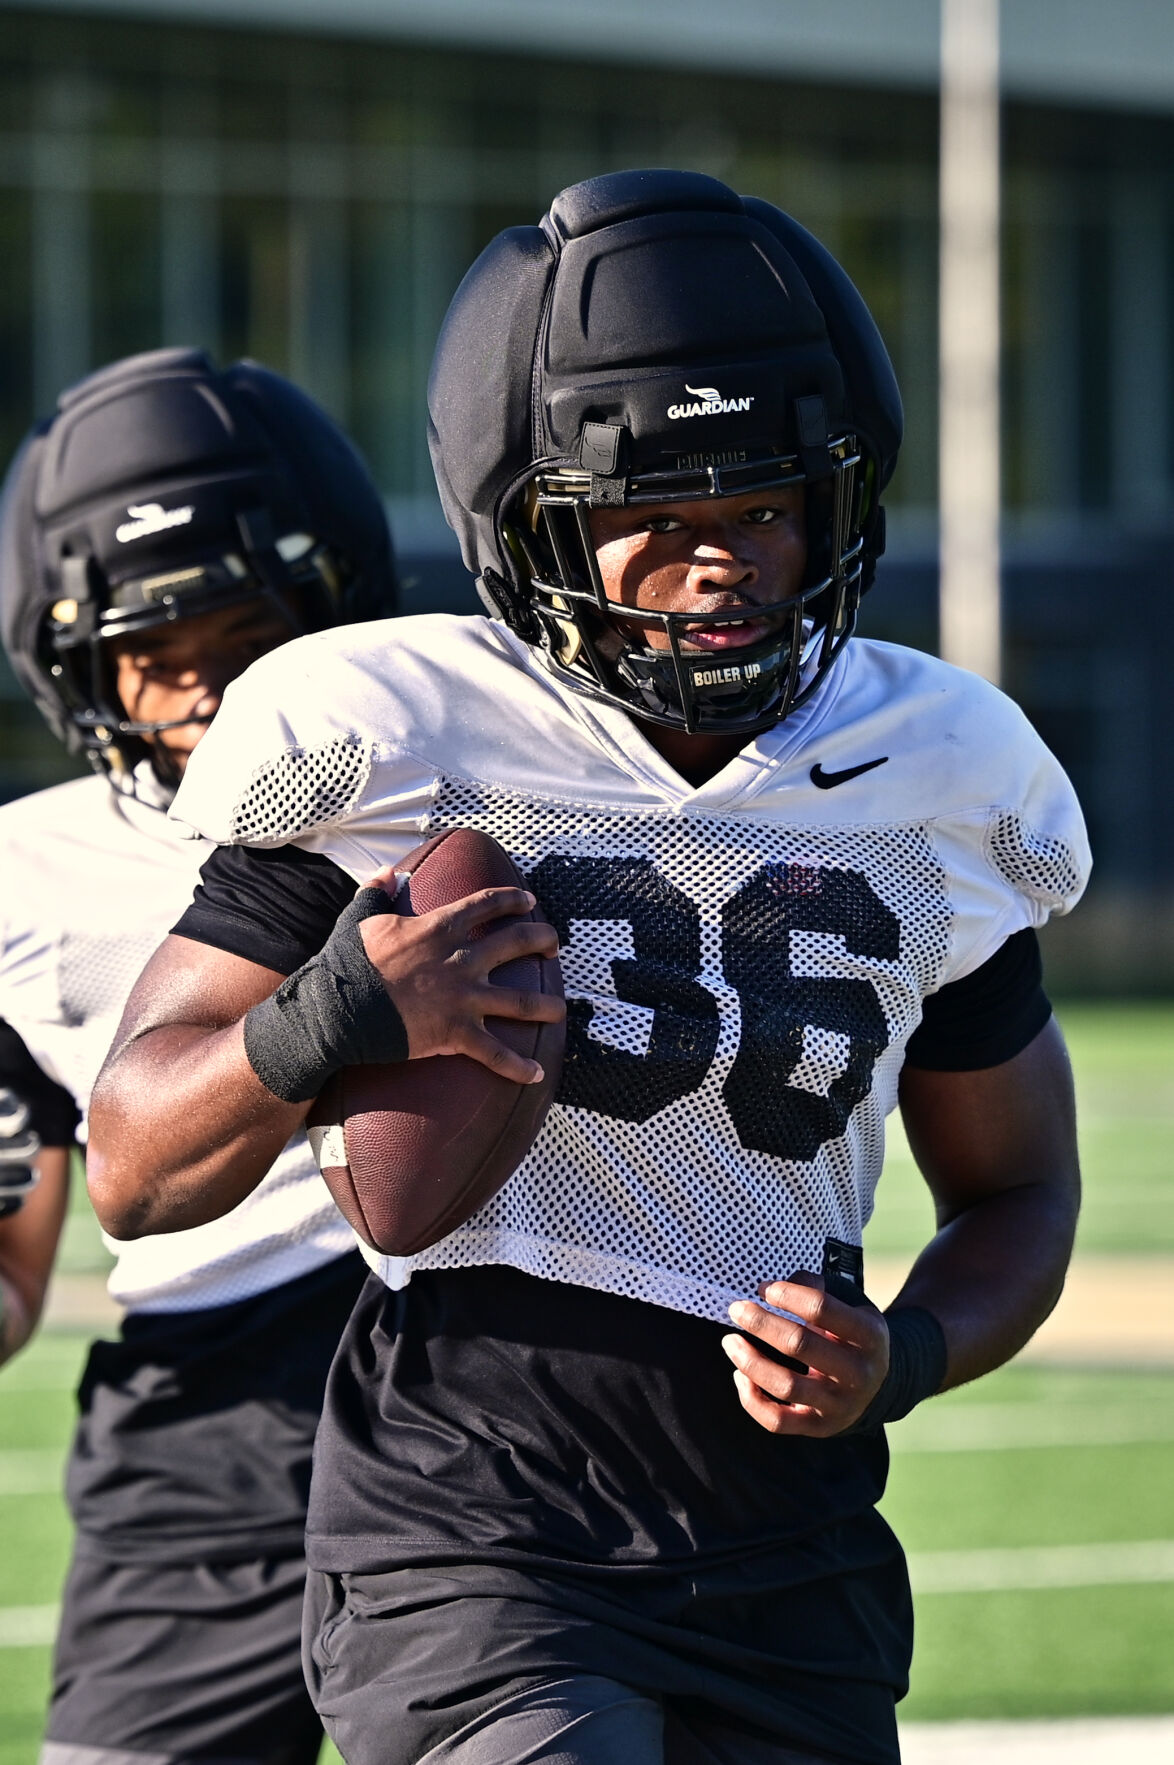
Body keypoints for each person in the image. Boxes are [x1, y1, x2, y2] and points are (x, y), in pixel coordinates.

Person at [88, 173, 1088, 1765]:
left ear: (836, 501)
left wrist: (901, 1354)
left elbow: (1020, 1188)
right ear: (536, 522)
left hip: (793, 1548)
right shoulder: (392, 739)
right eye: (658, 521)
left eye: (759, 507)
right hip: (472, 1522)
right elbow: (134, 1166)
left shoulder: (936, 771)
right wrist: (330, 1013)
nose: (718, 568)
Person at [0, 345, 399, 1765]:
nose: (205, 697)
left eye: (242, 644)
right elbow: (9, 1273)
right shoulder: (22, 878)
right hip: (203, 1434)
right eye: (153, 658)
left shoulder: (458, 779)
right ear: (78, 670)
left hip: (476, 1389)